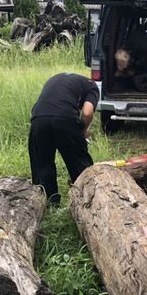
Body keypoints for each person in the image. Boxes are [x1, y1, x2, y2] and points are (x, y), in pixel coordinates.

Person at [28, 73, 100, 205]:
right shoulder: (92, 87)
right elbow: (87, 112)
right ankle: (87, 201)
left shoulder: (55, 78)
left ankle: (49, 203)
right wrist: (83, 131)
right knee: (80, 164)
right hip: (65, 118)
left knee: (42, 163)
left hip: (38, 118)